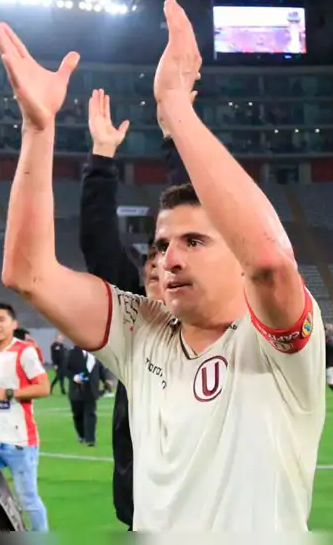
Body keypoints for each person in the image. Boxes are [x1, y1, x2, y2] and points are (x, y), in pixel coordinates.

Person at [0, 0, 327, 532]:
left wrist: (175, 110)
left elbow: (269, 261)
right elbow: (27, 274)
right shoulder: (142, 331)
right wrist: (38, 129)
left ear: (235, 258)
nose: (169, 258)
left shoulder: (279, 344)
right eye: (162, 243)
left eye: (194, 241)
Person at [78, 87, 189, 530]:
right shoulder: (135, 323)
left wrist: (172, 134)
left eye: (173, 258)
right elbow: (98, 241)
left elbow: (192, 208)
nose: (161, 268)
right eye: (152, 262)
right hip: (141, 509)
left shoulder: (219, 321)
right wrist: (102, 157)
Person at [0, 303, 51, 532]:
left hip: (19, 442)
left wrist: (10, 393)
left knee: (28, 500)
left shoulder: (24, 351)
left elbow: (44, 387)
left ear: (14, 324)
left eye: (1, 319)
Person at [65, 344, 113, 446]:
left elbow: (100, 369)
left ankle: (90, 439)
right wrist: (74, 377)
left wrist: (106, 380)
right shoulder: (72, 353)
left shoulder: (95, 353)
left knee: (91, 414)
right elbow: (64, 369)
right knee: (77, 414)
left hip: (91, 390)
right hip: (76, 390)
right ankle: (81, 435)